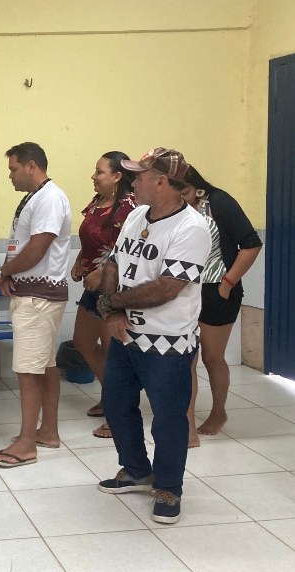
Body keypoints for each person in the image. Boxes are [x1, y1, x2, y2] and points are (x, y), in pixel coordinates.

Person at [96, 148, 210, 525]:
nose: (132, 181)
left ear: (161, 181)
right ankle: (135, 470)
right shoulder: (135, 214)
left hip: (167, 341)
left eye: (139, 175)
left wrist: (112, 302)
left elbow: (167, 288)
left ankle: (169, 486)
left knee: (168, 417)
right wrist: (113, 310)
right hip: (125, 334)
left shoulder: (191, 227)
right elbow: (114, 262)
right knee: (116, 404)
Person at [0, 142, 71, 468]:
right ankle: (47, 431)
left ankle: (26, 443)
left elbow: (37, 249)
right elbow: (22, 246)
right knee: (45, 365)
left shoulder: (50, 198)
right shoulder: (35, 198)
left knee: (28, 370)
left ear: (31, 165)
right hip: (33, 293)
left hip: (39, 297)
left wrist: (3, 271)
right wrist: (8, 271)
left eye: (13, 168)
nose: (10, 175)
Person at [181, 166, 262, 442]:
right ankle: (187, 422)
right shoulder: (171, 207)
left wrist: (227, 283)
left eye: (185, 191)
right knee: (186, 358)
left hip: (217, 291)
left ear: (195, 185)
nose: (181, 197)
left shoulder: (219, 202)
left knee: (211, 357)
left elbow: (251, 244)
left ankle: (218, 412)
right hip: (183, 291)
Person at [69, 152, 138, 440]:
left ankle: (118, 411)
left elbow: (128, 249)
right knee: (82, 342)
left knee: (114, 355)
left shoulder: (130, 208)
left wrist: (102, 273)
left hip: (114, 288)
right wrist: (79, 261)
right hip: (91, 286)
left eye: (99, 172)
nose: (94, 177)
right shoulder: (97, 203)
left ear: (117, 176)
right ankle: (110, 396)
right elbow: (89, 239)